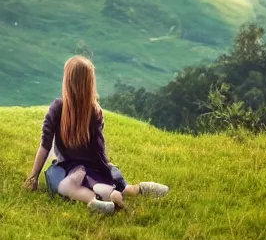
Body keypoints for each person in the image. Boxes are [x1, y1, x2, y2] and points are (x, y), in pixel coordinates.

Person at [23, 55, 169, 215]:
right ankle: (136, 189)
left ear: (67, 81)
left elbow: (45, 145)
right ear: (89, 83)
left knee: (56, 178)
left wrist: (33, 177)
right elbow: (98, 149)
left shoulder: (57, 108)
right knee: (107, 182)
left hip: (70, 168)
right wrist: (107, 168)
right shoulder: (94, 111)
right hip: (94, 165)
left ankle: (99, 199)